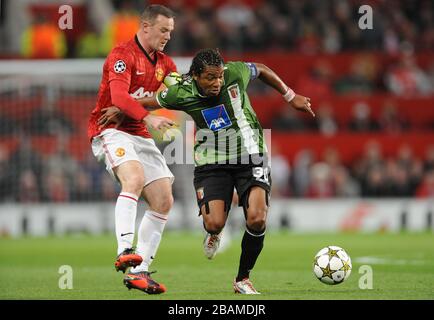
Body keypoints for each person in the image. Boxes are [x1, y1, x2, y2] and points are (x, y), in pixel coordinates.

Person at [99, 48, 314, 294]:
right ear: (195, 76)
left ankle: (242, 278)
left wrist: (290, 95)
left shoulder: (234, 72)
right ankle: (214, 233)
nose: (218, 82)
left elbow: (262, 69)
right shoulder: (181, 93)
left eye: (220, 76)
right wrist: (122, 109)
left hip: (251, 154)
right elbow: (151, 101)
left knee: (257, 218)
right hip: (212, 162)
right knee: (213, 223)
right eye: (211, 77)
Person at [87, 4, 177, 295]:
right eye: (163, 30)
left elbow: (174, 95)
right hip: (110, 130)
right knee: (134, 179)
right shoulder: (122, 55)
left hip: (138, 133)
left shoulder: (167, 64)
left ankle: (140, 272)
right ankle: (125, 248)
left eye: (171, 32)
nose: (167, 36)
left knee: (163, 198)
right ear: (146, 26)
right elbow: (119, 97)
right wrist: (148, 115)